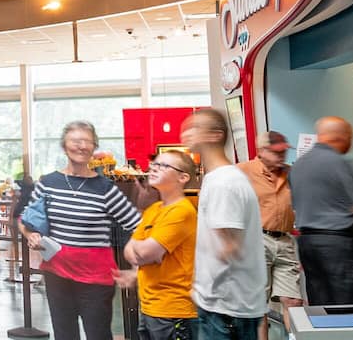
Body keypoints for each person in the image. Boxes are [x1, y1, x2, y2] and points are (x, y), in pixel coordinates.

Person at [22, 121, 142, 340]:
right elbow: (26, 220)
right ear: (64, 146)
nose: (82, 146)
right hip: (56, 274)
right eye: (76, 141)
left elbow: (139, 226)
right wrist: (31, 235)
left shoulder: (106, 189)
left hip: (96, 279)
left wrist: (136, 269)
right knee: (64, 335)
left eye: (88, 141)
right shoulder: (48, 183)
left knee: (98, 335)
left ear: (94, 147)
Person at [185, 109, 267, 340]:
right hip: (224, 305)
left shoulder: (223, 183)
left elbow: (230, 247)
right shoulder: (220, 179)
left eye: (195, 128)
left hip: (225, 308)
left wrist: (205, 291)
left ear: (215, 135)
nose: (187, 134)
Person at [291, 117, 353, 306]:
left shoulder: (298, 165)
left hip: (307, 244)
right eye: (350, 138)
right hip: (337, 244)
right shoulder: (339, 163)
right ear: (341, 137)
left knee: (321, 304)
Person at [119, 151, 200, 340]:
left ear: (183, 177)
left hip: (174, 310)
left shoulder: (182, 211)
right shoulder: (154, 209)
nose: (154, 168)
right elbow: (129, 253)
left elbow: (144, 252)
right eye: (154, 164)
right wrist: (141, 251)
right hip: (149, 307)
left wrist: (141, 250)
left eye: (163, 166)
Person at [237, 131, 303, 339]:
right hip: (256, 239)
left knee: (293, 300)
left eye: (284, 151)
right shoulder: (242, 172)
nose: (282, 156)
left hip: (284, 239)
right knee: (258, 303)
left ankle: (294, 337)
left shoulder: (290, 173)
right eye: (277, 152)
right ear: (261, 151)